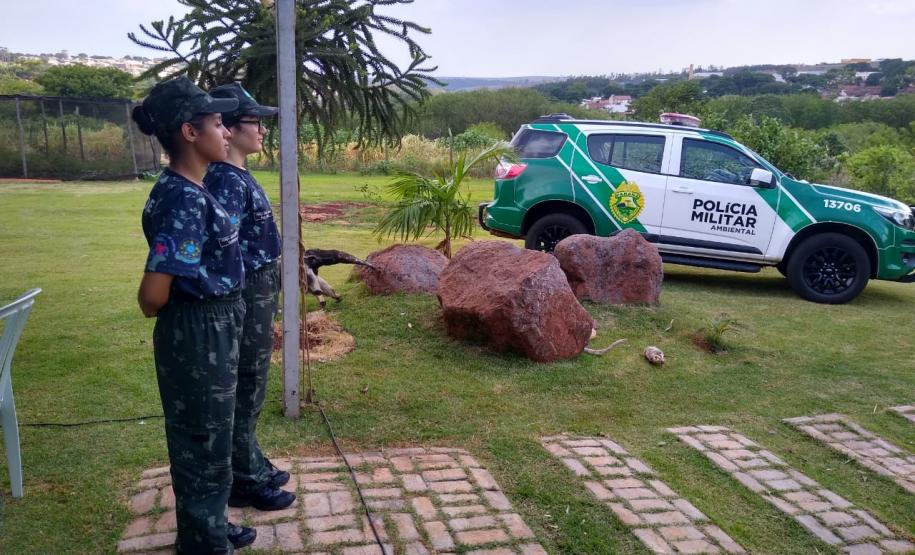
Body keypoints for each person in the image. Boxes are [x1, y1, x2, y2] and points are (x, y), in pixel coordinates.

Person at [134, 76, 256, 553]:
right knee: (201, 437)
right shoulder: (182, 197)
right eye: (217, 123)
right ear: (190, 132)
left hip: (214, 322)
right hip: (200, 329)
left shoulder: (192, 187)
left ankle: (211, 524)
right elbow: (152, 293)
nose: (226, 132)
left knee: (214, 433)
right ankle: (203, 540)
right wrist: (195, 314)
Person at [203, 83, 294, 511]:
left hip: (258, 286)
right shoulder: (225, 180)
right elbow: (225, 249)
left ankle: (250, 460)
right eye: (255, 123)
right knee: (247, 380)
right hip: (247, 290)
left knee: (253, 379)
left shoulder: (237, 174)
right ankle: (245, 477)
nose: (262, 131)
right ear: (231, 128)